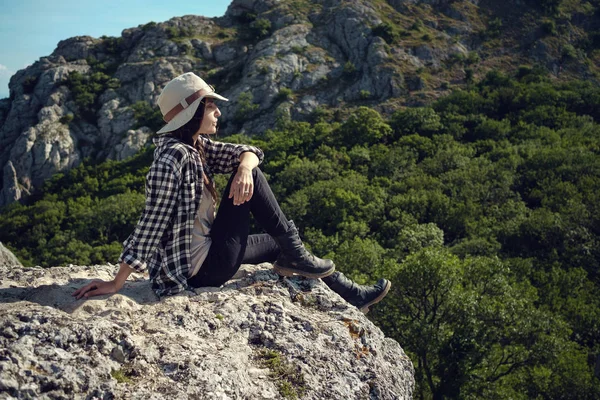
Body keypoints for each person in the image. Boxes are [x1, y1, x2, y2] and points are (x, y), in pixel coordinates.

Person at [73, 72, 390, 313]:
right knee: (256, 181)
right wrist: (118, 281)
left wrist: (243, 167)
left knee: (280, 242)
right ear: (194, 112)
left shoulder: (196, 146)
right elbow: (151, 223)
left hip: (212, 254)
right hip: (199, 270)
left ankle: (350, 294)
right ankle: (303, 258)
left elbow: (249, 151)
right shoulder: (174, 159)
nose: (217, 113)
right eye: (211, 106)